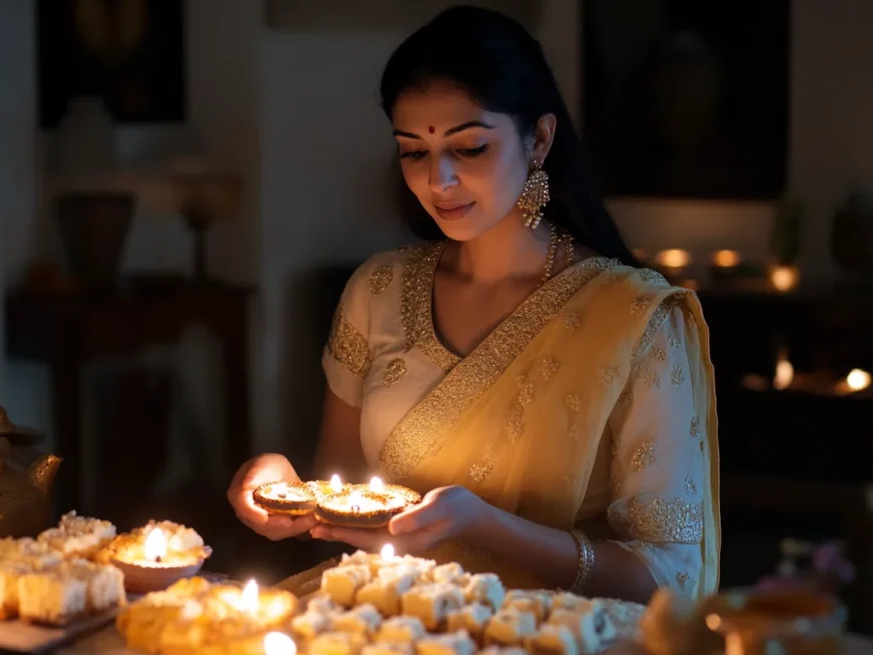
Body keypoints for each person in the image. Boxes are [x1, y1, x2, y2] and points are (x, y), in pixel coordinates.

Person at [228, 5, 719, 604]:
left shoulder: (634, 319)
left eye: (470, 148)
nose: (439, 180)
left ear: (538, 138)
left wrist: (488, 526)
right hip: (391, 625)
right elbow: (345, 496)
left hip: (553, 647)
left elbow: (671, 577)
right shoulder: (376, 291)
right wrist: (287, 489)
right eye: (413, 152)